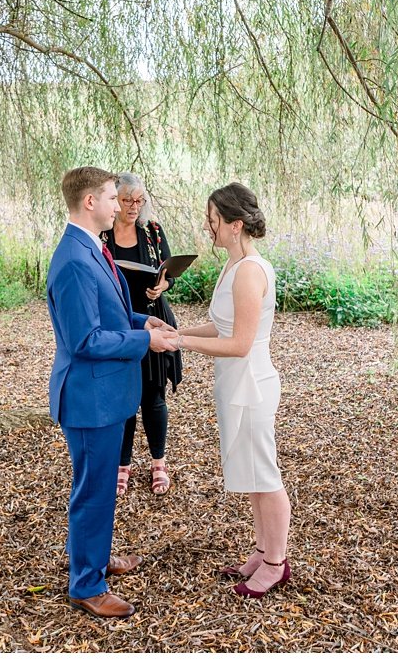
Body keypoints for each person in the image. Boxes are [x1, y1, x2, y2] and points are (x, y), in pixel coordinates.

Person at [45, 166, 178, 618]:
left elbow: (111, 314)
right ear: (89, 203)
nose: (118, 204)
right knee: (94, 492)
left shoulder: (92, 248)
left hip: (104, 395)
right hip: (88, 399)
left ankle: (96, 560)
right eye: (109, 196)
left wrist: (144, 322)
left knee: (99, 488)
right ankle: (86, 585)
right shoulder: (74, 260)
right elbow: (85, 341)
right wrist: (147, 342)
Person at [174, 182, 292, 598]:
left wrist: (180, 344)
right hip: (233, 381)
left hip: (253, 383)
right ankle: (262, 550)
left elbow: (240, 344)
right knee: (251, 473)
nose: (208, 228)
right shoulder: (232, 265)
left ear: (236, 224)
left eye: (213, 220)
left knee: (265, 473)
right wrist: (178, 330)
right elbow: (223, 328)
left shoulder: (250, 272)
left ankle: (277, 563)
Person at [100, 173, 182, 496]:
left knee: (153, 396)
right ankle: (123, 465)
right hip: (119, 323)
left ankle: (158, 463)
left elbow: (169, 272)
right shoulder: (103, 235)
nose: (134, 207)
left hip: (152, 319)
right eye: (127, 201)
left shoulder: (152, 233)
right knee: (123, 398)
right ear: (115, 201)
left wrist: (164, 285)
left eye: (139, 201)